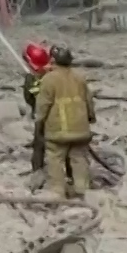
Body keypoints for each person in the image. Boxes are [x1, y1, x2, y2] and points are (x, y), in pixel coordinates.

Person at [35, 45, 96, 198]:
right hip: (80, 129)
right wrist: (90, 118)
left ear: (53, 60)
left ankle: (57, 191)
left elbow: (43, 106)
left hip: (58, 131)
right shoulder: (80, 77)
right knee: (79, 158)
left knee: (55, 158)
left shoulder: (48, 79)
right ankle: (82, 189)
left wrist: (39, 124)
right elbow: (89, 100)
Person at [21, 41, 51, 174]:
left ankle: (37, 169)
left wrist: (34, 108)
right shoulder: (53, 73)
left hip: (41, 114)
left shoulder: (31, 78)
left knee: (39, 143)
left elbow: (28, 97)